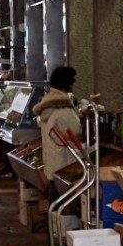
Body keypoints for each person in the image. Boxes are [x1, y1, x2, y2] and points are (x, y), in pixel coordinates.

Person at [33, 65, 82, 203]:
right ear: (67, 84)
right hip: (64, 157)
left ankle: (53, 215)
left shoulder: (48, 104)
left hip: (53, 155)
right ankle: (58, 216)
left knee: (56, 190)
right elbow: (76, 131)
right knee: (62, 194)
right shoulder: (63, 107)